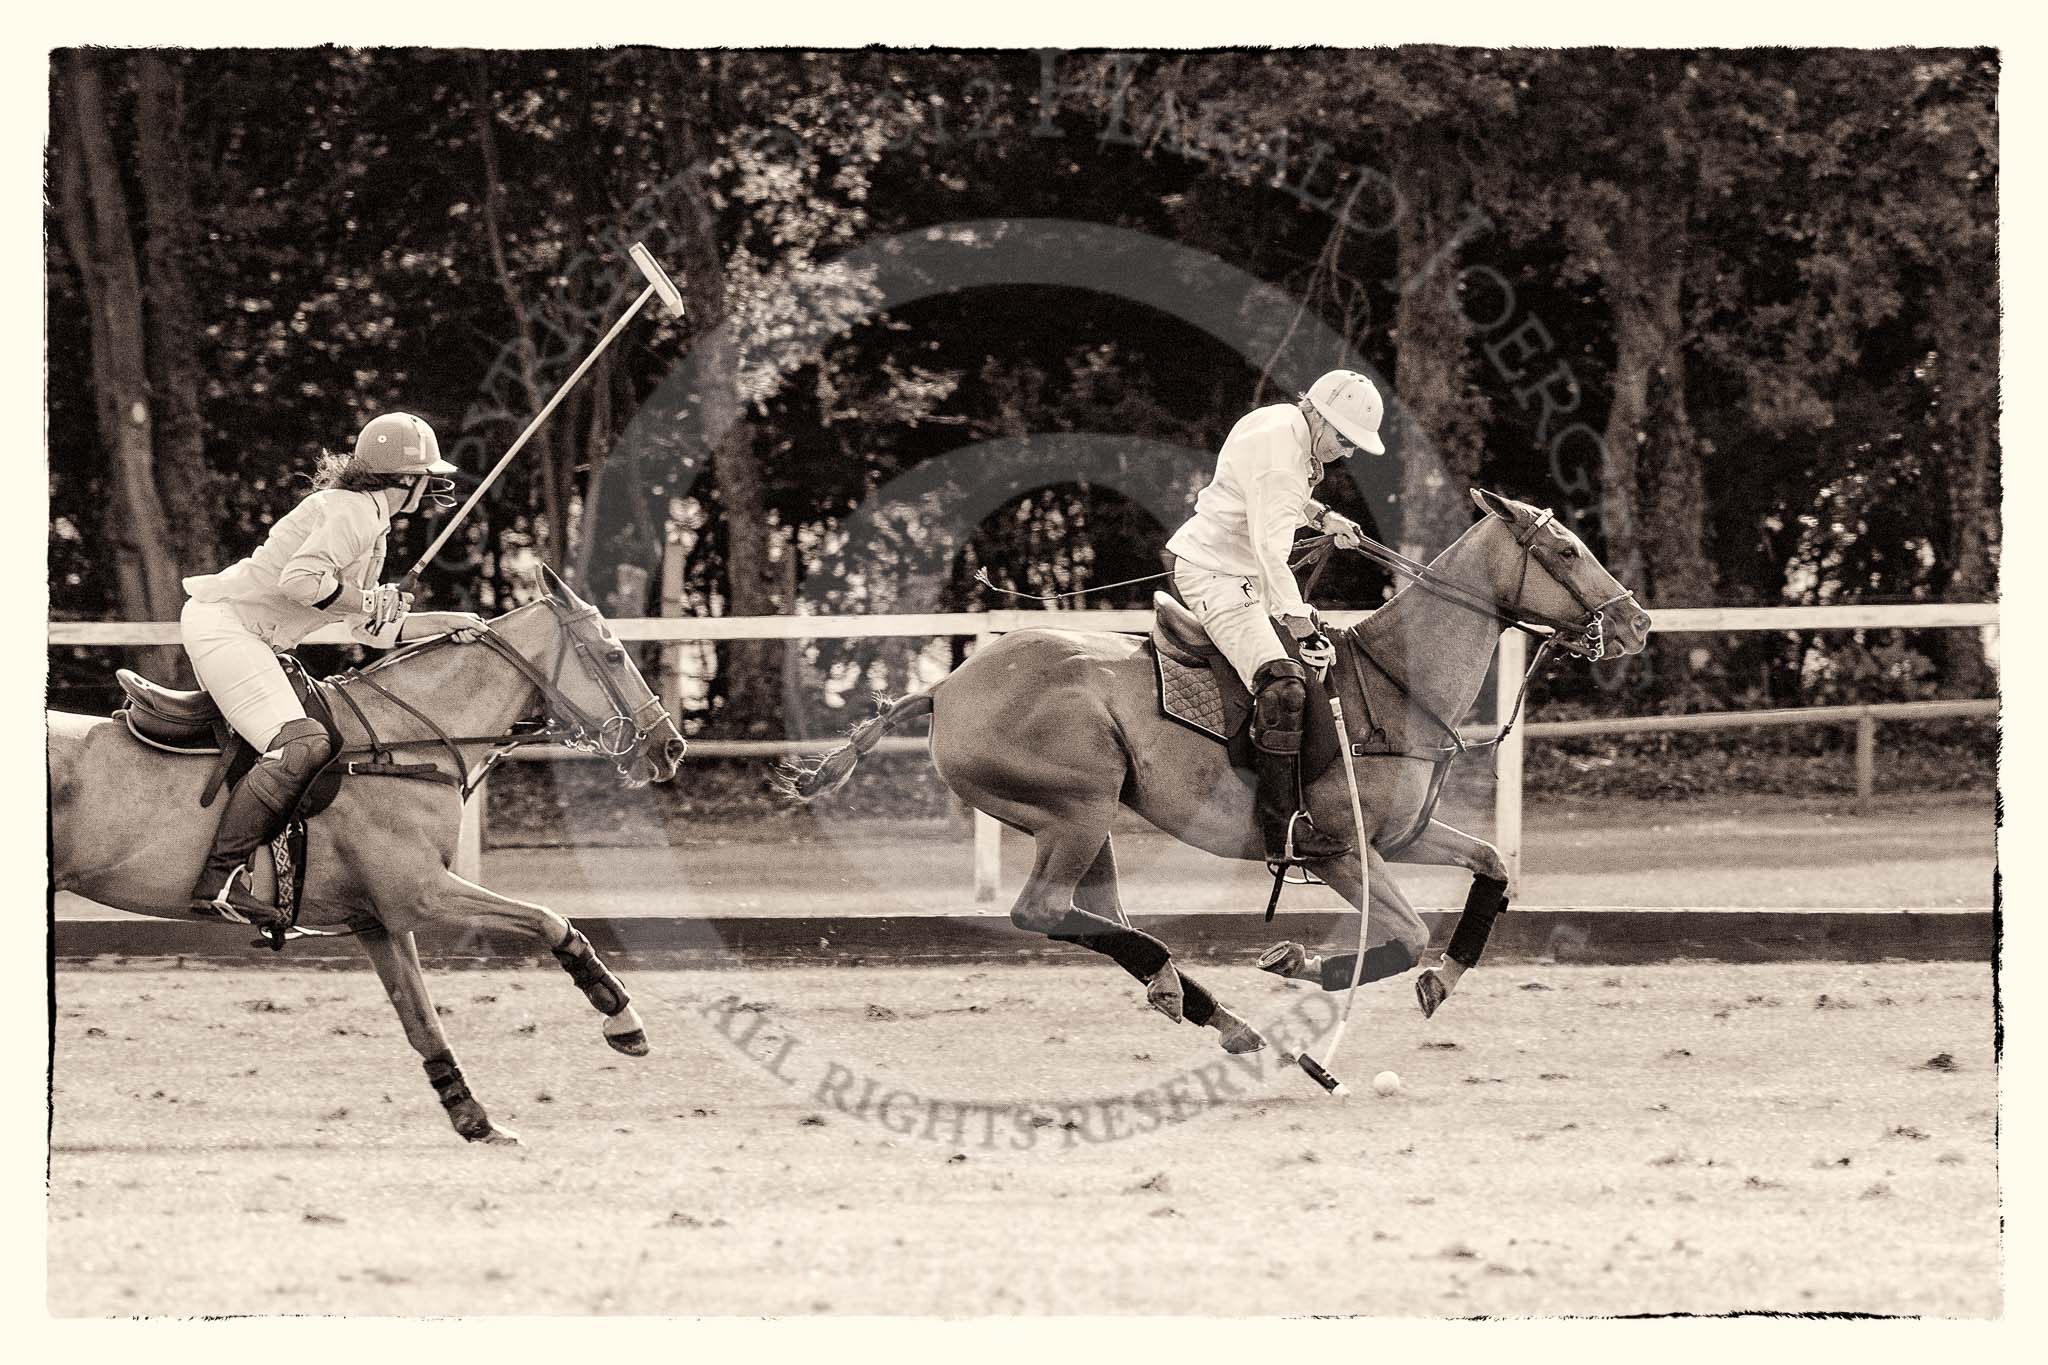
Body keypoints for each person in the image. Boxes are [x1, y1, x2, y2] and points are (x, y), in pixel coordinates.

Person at [179, 412, 487, 928]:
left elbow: (369, 630)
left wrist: (444, 623)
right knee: (302, 745)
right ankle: (220, 881)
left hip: (250, 637)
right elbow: (300, 582)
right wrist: (369, 599)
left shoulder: (370, 524)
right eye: (426, 476)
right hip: (227, 628)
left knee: (319, 739)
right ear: (405, 479)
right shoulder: (354, 514)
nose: (431, 486)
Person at [1163, 369, 1384, 864]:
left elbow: (1272, 498)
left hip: (1234, 569)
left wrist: (1322, 517)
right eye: (1345, 439)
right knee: (1284, 684)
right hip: (1218, 575)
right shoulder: (1284, 458)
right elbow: (1270, 550)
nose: (1348, 453)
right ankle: (1281, 828)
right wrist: (1300, 624)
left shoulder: (1283, 422)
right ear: (1319, 417)